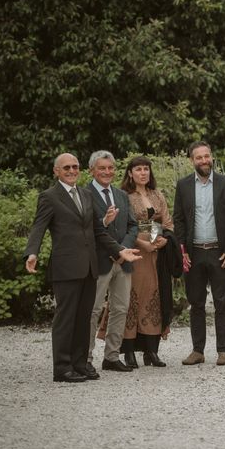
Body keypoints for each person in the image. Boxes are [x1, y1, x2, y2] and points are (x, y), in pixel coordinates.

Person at [24, 153, 140, 383]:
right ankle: (62, 368)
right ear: (56, 171)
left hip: (90, 267)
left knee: (83, 317)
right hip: (66, 267)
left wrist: (119, 251)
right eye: (66, 167)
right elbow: (39, 226)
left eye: (75, 166)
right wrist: (32, 252)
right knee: (66, 319)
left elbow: (98, 231)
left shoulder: (85, 194)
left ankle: (79, 364)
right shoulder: (49, 197)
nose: (71, 170)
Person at [174, 141, 225, 366]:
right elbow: (179, 220)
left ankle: (223, 351)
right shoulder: (183, 186)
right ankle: (197, 350)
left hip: (219, 253)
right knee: (196, 303)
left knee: (222, 302)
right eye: (199, 157)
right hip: (193, 254)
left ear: (211, 157)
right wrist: (182, 251)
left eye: (207, 156)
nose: (204, 160)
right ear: (192, 160)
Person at [120, 156, 175, 368]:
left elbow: (166, 222)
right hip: (134, 253)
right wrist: (143, 243)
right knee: (132, 299)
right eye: (138, 169)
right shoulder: (124, 196)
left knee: (154, 298)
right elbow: (124, 226)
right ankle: (129, 353)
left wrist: (163, 240)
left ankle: (151, 351)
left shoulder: (157, 194)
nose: (143, 173)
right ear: (130, 173)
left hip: (156, 256)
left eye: (146, 169)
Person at [87, 150, 138, 373]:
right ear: (92, 171)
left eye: (110, 168)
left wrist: (123, 249)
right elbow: (88, 230)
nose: (107, 172)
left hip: (123, 261)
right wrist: (104, 222)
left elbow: (133, 225)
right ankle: (85, 358)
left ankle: (111, 356)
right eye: (102, 168)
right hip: (99, 261)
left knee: (120, 308)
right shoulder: (85, 194)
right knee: (94, 310)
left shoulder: (121, 195)